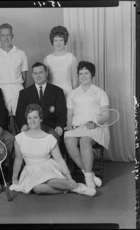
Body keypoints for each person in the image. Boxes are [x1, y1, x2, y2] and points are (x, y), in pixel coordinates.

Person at [10, 104, 96, 196]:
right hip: (31, 171)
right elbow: (18, 159)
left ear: (41, 119)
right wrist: (14, 178)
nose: (32, 121)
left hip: (48, 168)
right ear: (27, 120)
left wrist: (69, 176)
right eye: (29, 118)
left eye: (35, 117)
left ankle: (79, 188)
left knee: (49, 180)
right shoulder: (20, 138)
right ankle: (73, 188)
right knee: (38, 189)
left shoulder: (49, 138)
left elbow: (59, 160)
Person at [64, 61, 110, 189]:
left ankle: (88, 179)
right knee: (68, 139)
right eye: (81, 73)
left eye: (86, 73)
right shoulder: (72, 94)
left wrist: (95, 124)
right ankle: (89, 174)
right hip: (77, 127)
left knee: (85, 140)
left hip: (96, 127)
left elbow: (106, 116)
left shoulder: (100, 92)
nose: (83, 76)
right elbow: (69, 116)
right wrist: (68, 125)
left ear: (92, 75)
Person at [15, 62, 67, 142]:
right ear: (32, 75)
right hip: (31, 127)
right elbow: (20, 113)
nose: (38, 76)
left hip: (50, 128)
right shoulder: (24, 93)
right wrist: (23, 125)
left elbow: (61, 113)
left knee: (53, 138)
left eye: (41, 72)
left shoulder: (57, 91)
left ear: (46, 73)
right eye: (35, 73)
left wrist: (59, 126)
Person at [0, 23, 28, 118]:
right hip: (0, 90)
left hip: (17, 90)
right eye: (3, 35)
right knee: (2, 120)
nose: (6, 38)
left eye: (8, 35)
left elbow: (25, 79)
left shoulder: (21, 53)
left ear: (12, 36)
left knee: (21, 119)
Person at [43, 25, 79, 96]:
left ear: (65, 41)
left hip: (68, 93)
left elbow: (75, 81)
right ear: (52, 41)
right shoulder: (47, 59)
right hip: (52, 93)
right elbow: (46, 81)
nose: (58, 43)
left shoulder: (72, 58)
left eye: (61, 40)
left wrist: (74, 95)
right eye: (56, 40)